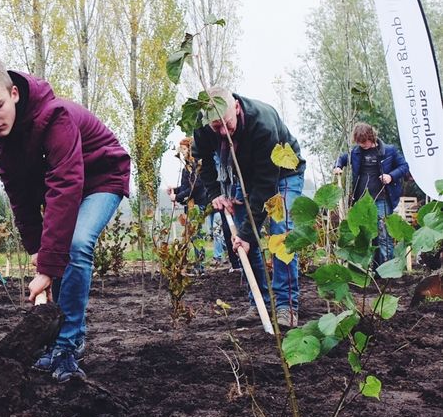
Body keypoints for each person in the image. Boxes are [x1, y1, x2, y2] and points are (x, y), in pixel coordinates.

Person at [0, 56, 130, 383]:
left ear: (14, 94)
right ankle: (60, 340)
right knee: (55, 250)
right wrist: (37, 247)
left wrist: (49, 268)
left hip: (101, 177)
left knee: (76, 245)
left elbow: (67, 184)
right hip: (62, 185)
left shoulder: (54, 117)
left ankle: (68, 345)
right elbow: (16, 186)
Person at [193, 87, 306, 328]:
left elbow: (266, 184)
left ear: (236, 107)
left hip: (284, 174)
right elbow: (202, 159)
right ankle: (259, 304)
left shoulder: (262, 123)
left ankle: (286, 307)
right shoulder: (203, 124)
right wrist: (215, 193)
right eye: (216, 128)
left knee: (282, 233)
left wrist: (247, 233)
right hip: (242, 177)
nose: (223, 133)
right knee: (242, 242)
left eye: (227, 125)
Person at [333, 122, 409, 266]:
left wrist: (390, 176)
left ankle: (387, 271)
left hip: (382, 198)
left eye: (365, 141)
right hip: (361, 202)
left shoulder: (389, 150)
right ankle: (372, 270)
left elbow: (404, 167)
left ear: (371, 136)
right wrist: (337, 166)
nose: (363, 145)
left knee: (383, 235)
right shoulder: (355, 152)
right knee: (367, 236)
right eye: (359, 142)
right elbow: (342, 158)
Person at [167, 137, 207, 273]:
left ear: (190, 149)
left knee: (196, 236)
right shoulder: (186, 167)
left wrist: (176, 197)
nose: (182, 152)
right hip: (189, 205)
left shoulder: (197, 166)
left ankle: (200, 267)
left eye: (184, 149)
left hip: (197, 205)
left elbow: (195, 187)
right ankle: (196, 265)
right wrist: (175, 189)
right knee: (191, 235)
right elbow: (185, 186)